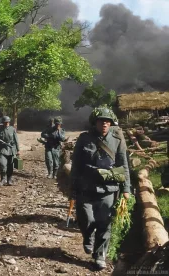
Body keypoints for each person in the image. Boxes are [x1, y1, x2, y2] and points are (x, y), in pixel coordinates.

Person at [70, 106, 130, 270]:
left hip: (108, 189)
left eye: (107, 121)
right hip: (86, 187)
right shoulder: (84, 139)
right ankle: (87, 237)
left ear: (111, 123)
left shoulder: (117, 140)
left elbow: (123, 166)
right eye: (101, 120)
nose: (104, 123)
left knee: (105, 223)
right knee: (86, 220)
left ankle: (99, 255)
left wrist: (126, 189)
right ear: (95, 122)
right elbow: (76, 165)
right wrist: (72, 188)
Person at [0, 116, 20, 186]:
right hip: (2, 150)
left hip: (11, 150)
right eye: (5, 122)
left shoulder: (12, 129)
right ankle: (3, 179)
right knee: (3, 165)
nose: (6, 123)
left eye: (7, 122)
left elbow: (16, 140)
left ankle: (9, 180)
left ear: (9, 122)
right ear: (3, 122)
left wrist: (18, 150)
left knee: (10, 166)